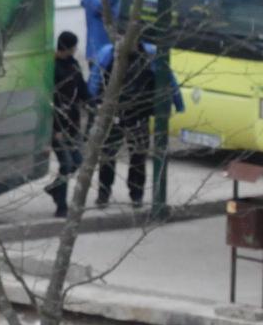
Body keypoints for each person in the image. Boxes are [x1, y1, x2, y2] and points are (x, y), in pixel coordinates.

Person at [95, 40, 179, 213]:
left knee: (138, 158)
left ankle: (136, 194)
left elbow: (164, 83)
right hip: (115, 116)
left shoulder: (149, 60)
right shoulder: (112, 56)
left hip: (138, 116)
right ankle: (104, 193)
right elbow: (100, 82)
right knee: (107, 157)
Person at [50, 30, 90, 216]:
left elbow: (81, 88)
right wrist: (56, 129)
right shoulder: (52, 67)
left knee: (77, 161)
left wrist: (92, 102)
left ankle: (55, 188)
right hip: (57, 124)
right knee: (66, 164)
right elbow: (51, 100)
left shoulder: (73, 65)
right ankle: (61, 206)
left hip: (73, 122)